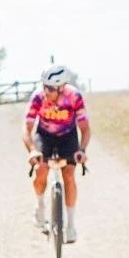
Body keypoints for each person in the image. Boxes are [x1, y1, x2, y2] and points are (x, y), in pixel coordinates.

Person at [23, 64, 90, 243]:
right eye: (44, 86)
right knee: (41, 170)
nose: (46, 91)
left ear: (61, 88)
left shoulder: (74, 96)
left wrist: (82, 150)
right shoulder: (38, 97)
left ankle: (70, 225)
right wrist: (32, 151)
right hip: (44, 135)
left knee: (69, 175)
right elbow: (27, 128)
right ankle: (40, 205)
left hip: (67, 136)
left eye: (50, 88)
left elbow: (85, 128)